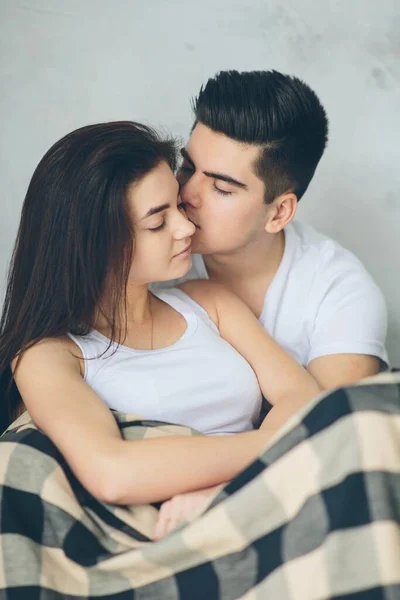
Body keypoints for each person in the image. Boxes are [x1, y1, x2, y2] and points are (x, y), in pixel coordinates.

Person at [0, 121, 323, 540]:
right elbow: (112, 472)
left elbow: (306, 399)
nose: (187, 228)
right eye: (158, 222)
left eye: (178, 206)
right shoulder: (51, 355)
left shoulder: (209, 302)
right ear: (95, 242)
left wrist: (220, 489)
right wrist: (269, 453)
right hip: (162, 531)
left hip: (264, 498)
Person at [157, 70, 388, 399]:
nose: (186, 194)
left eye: (222, 188)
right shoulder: (144, 253)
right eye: (189, 168)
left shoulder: (340, 293)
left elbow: (325, 433)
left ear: (278, 212)